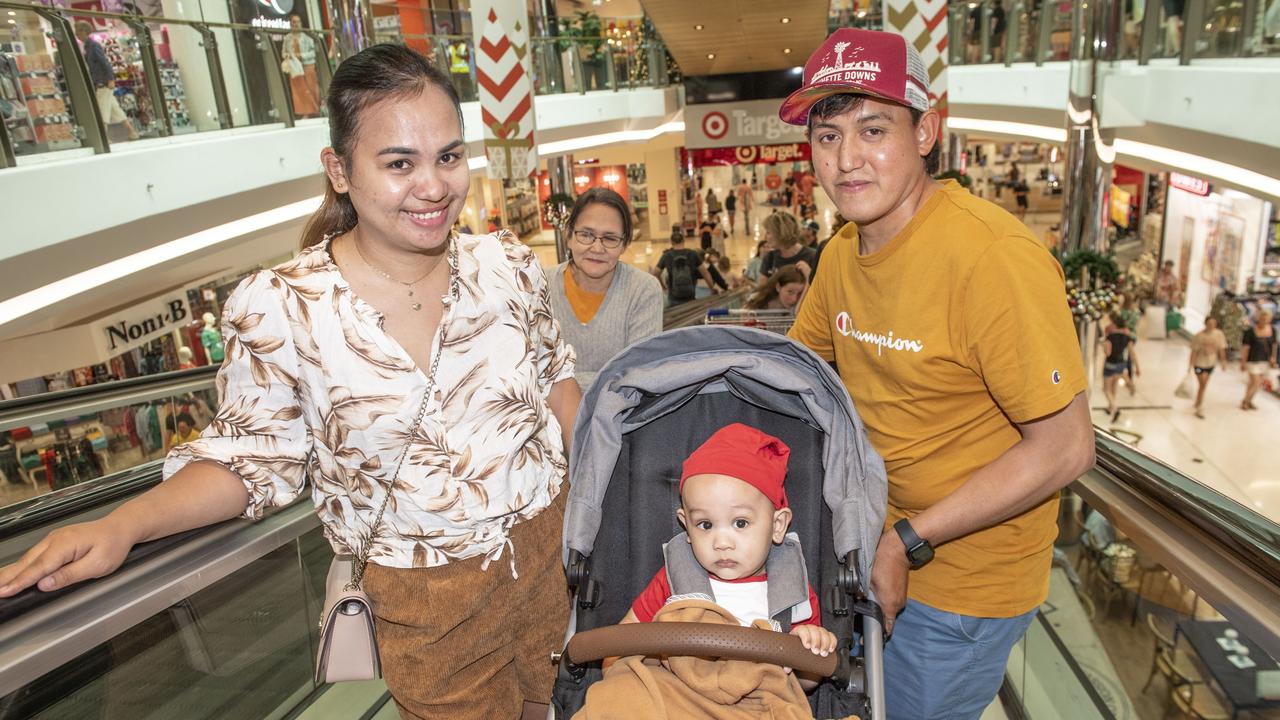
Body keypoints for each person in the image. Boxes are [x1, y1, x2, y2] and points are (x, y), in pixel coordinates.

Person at [0, 45, 581, 720]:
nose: (434, 186)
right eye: (399, 163)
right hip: (427, 603)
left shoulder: (505, 265)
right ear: (339, 169)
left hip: (552, 559)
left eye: (448, 156)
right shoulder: (283, 307)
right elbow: (252, 458)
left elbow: (556, 385)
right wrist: (124, 526)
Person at [780, 28, 1094, 720]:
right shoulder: (840, 255)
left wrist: (909, 538)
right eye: (827, 137)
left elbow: (1067, 447)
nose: (847, 160)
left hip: (962, 589)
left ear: (926, 132)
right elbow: (794, 376)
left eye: (873, 130)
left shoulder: (991, 258)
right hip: (867, 556)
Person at [619, 423, 837, 692]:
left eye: (741, 523)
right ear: (686, 525)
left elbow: (804, 686)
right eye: (705, 525)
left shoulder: (792, 590)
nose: (721, 543)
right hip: (680, 699)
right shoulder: (673, 580)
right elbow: (621, 643)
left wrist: (808, 650)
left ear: (778, 525)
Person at [549, 188, 663, 391]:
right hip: (547, 421)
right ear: (569, 236)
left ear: (624, 244)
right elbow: (528, 370)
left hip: (618, 420)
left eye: (610, 238)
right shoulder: (541, 286)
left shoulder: (643, 291)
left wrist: (561, 383)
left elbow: (639, 376)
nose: (597, 248)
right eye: (586, 235)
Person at [74, 21, 139, 141]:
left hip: (102, 82)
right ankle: (132, 131)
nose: (76, 34)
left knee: (102, 109)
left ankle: (103, 138)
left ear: (83, 31)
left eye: (77, 31)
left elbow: (105, 63)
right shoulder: (87, 47)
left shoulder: (93, 46)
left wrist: (110, 79)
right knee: (115, 110)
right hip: (100, 81)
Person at [655, 229, 716, 305]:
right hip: (690, 295)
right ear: (684, 241)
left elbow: (655, 273)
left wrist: (663, 287)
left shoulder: (667, 255)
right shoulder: (693, 254)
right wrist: (712, 289)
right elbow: (705, 274)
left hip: (673, 296)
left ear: (672, 242)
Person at [759, 211, 816, 283]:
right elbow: (763, 291)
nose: (765, 237)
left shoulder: (812, 256)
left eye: (768, 232)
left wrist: (808, 274)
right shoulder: (769, 258)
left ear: (781, 233)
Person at [1188, 316, 1228, 419]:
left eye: (1213, 324)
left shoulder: (1219, 335)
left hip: (1210, 364)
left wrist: (1223, 361)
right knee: (1202, 384)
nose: (1211, 326)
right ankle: (1199, 405)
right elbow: (1194, 351)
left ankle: (1198, 402)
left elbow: (1221, 348)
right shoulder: (1199, 336)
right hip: (1199, 364)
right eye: (1209, 323)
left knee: (1203, 385)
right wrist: (1190, 365)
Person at [282, 15, 321, 118]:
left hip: (307, 65)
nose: (296, 24)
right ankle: (304, 113)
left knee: (311, 87)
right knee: (299, 91)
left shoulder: (307, 38)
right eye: (294, 22)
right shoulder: (287, 38)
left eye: (298, 22)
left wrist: (301, 56)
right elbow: (284, 52)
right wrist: (289, 56)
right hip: (295, 67)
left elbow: (313, 53)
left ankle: (315, 110)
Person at [1240, 310, 1277, 411]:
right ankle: (1245, 401)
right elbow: (1245, 348)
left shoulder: (1272, 330)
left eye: (1267, 320)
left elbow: (1273, 345)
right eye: (1263, 319)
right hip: (1252, 360)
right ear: (1259, 318)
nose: (1265, 321)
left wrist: (1273, 357)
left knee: (1253, 383)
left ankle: (1249, 400)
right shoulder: (1249, 332)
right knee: (1256, 382)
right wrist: (1243, 362)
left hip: (1265, 360)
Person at [1101, 313, 1136, 421]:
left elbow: (1107, 353)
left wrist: (1103, 346)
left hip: (1110, 364)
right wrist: (1137, 367)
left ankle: (1115, 408)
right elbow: (1131, 352)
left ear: (1115, 324)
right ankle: (1110, 407)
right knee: (1114, 386)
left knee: (1106, 389)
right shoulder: (1127, 337)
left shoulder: (1110, 337)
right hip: (1121, 365)